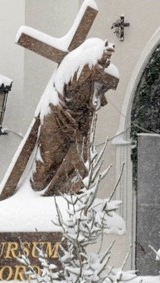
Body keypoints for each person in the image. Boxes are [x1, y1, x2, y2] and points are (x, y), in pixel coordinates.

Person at [31, 40, 116, 195]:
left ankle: (65, 192)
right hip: (57, 115)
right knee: (47, 161)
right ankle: (38, 193)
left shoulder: (91, 85)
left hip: (76, 124)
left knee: (78, 161)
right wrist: (99, 58)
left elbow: (95, 99)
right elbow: (83, 67)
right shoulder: (75, 66)